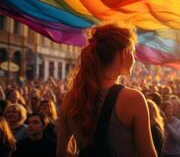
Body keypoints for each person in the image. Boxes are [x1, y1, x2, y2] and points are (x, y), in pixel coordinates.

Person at [57, 24, 157, 157]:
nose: (134, 58)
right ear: (123, 53)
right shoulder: (133, 99)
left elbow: (61, 152)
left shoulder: (71, 98)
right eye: (132, 52)